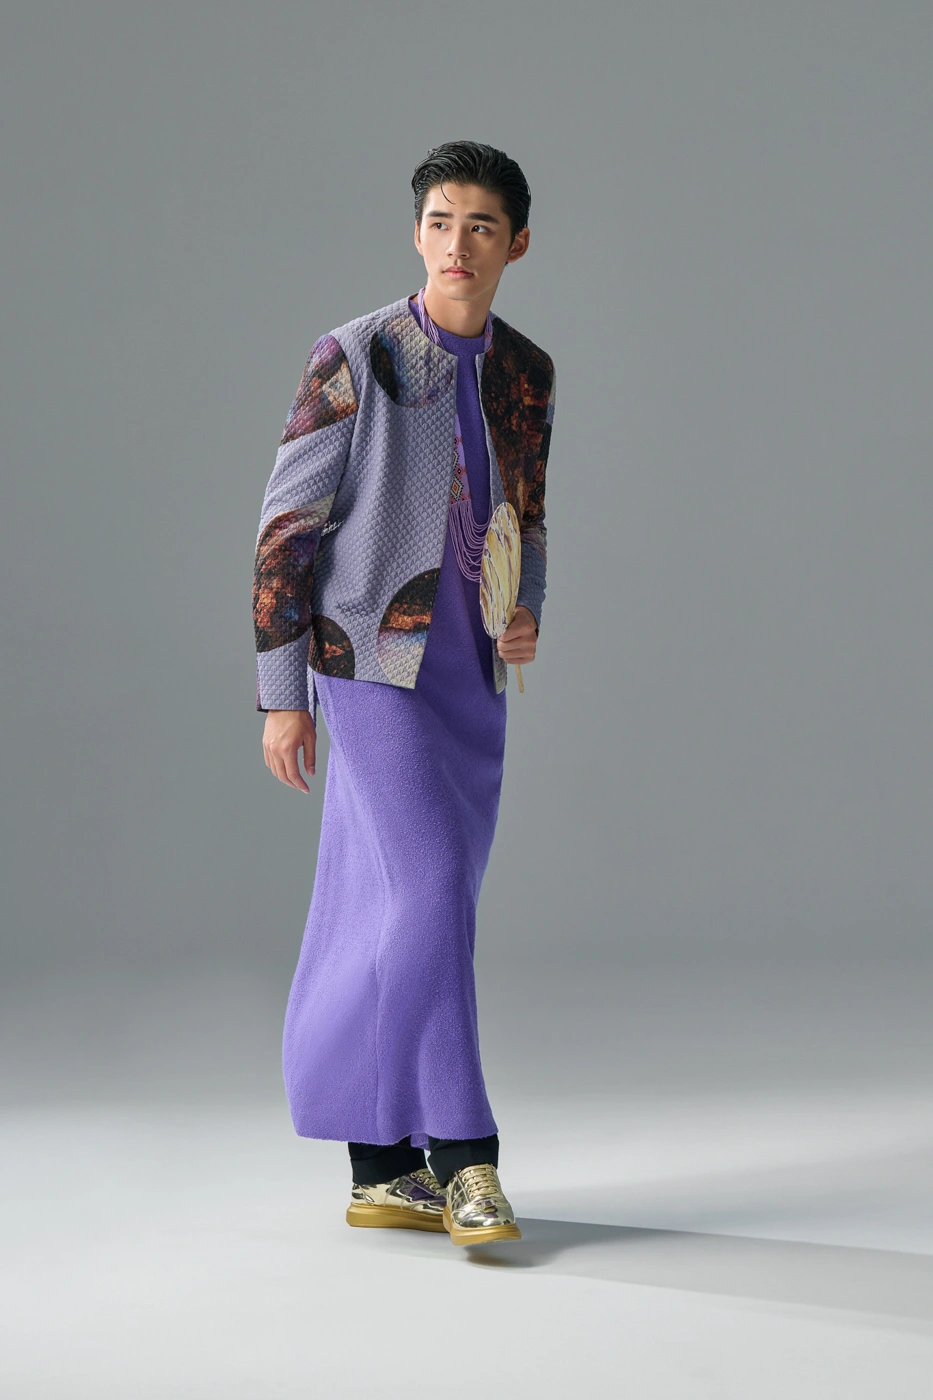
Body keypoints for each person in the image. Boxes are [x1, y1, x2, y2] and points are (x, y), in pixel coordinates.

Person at [252, 140, 556, 1246]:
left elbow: (528, 516)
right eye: (439, 220)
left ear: (516, 243)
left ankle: (379, 1168)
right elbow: (286, 531)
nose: (456, 243)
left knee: (397, 906)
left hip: (472, 676)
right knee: (428, 892)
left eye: (481, 225)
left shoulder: (528, 371)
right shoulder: (355, 354)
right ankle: (466, 1157)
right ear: (416, 233)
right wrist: (282, 691)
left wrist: (526, 613)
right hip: (367, 662)